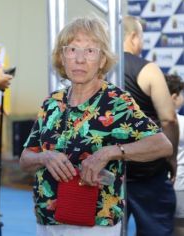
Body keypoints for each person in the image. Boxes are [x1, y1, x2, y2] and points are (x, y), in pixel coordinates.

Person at [19, 15, 173, 236]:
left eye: (90, 51)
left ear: (102, 60)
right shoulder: (52, 103)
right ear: (62, 57)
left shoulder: (116, 101)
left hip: (95, 223)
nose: (79, 59)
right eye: (72, 50)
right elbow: (25, 158)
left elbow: (162, 145)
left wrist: (111, 152)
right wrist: (45, 157)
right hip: (48, 219)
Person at [123, 15, 178, 236]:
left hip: (108, 171)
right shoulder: (147, 70)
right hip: (147, 171)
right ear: (134, 37)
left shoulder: (98, 70)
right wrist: (171, 156)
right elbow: (169, 119)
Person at [164, 74, 184, 236]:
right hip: (179, 185)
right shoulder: (180, 122)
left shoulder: (149, 120)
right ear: (174, 97)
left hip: (156, 183)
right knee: (179, 228)